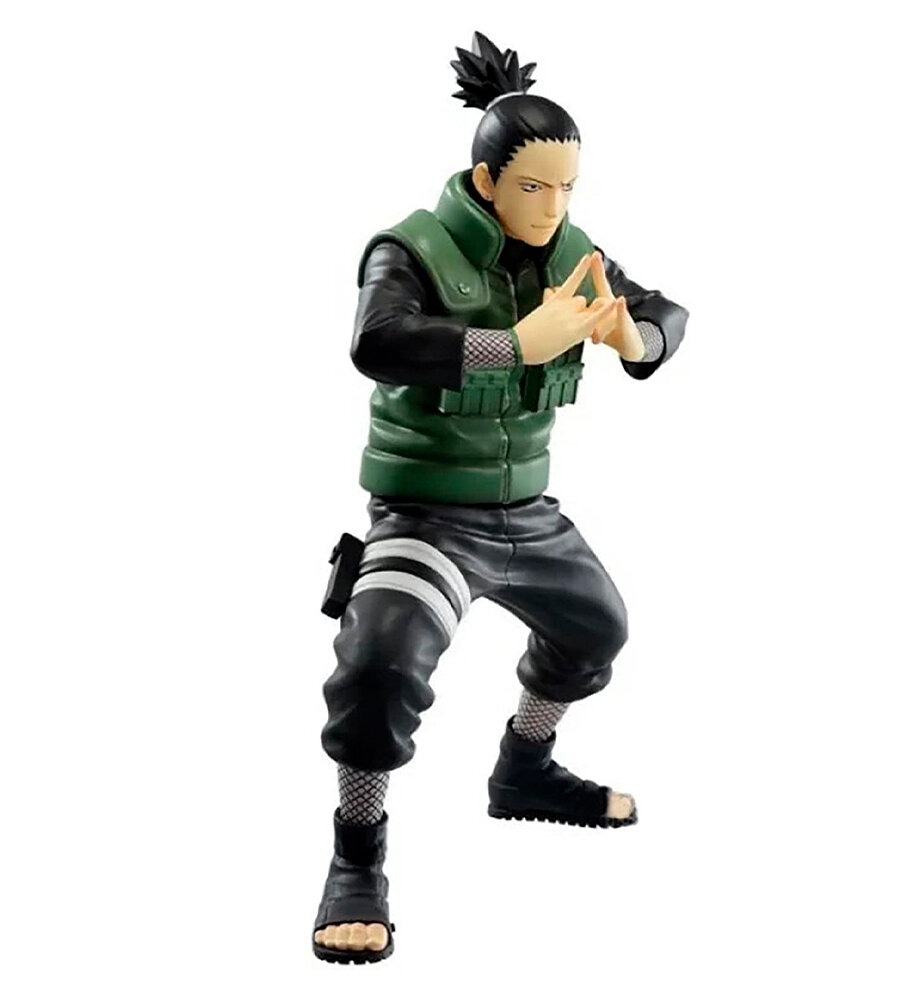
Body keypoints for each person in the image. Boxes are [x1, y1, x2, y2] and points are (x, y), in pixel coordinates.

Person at [313, 31, 688, 963]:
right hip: (426, 515)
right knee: (379, 668)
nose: (553, 207)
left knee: (596, 630)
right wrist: (514, 345)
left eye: (567, 188)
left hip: (528, 514)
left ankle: (524, 766)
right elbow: (377, 341)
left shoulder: (571, 251)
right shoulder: (410, 248)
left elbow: (664, 310)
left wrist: (634, 337)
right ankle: (357, 852)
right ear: (486, 182)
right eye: (533, 186)